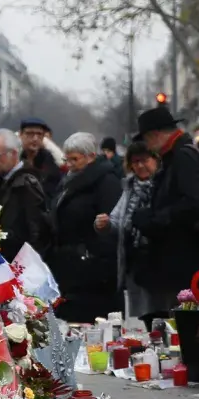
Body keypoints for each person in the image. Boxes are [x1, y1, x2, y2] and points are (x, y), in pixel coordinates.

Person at [128, 105, 199, 320]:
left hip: (185, 258)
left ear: (154, 135)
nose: (147, 146)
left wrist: (153, 220)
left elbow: (193, 203)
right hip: (179, 257)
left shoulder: (183, 157)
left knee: (181, 326)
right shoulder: (178, 155)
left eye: (146, 140)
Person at [50, 132, 123, 322]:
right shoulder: (69, 180)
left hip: (92, 268)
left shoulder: (106, 181)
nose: (70, 164)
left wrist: (93, 255)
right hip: (70, 264)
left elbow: (110, 223)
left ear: (90, 156)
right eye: (67, 159)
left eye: (75, 159)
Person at [98, 142, 161, 323]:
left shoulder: (162, 185)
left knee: (164, 315)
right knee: (146, 317)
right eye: (135, 162)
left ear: (156, 160)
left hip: (160, 263)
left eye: (145, 160)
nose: (140, 166)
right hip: (137, 263)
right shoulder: (129, 187)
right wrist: (106, 224)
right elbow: (118, 220)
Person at [0, 128, 53, 261]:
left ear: (14, 154)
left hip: (21, 266)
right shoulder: (4, 179)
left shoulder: (27, 184)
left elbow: (37, 232)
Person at [18, 117, 64, 197]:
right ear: (21, 135)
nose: (35, 138)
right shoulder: (14, 159)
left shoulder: (49, 160)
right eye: (30, 134)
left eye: (39, 134)